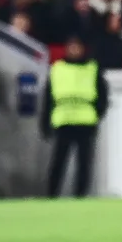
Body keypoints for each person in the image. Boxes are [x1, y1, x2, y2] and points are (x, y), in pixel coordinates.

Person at [40, 37, 110, 198]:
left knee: (84, 163)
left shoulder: (92, 68)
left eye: (76, 47)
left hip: (86, 121)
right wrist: (45, 122)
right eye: (71, 47)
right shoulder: (57, 68)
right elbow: (48, 98)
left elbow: (103, 94)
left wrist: (98, 113)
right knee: (58, 162)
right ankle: (52, 194)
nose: (74, 50)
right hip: (63, 121)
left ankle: (80, 195)